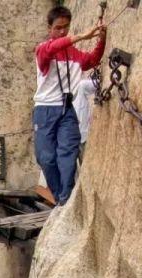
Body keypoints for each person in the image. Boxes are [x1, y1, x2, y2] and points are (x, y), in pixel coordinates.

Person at [33, 6, 106, 205]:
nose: (63, 31)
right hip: (45, 110)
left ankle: (65, 198)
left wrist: (102, 39)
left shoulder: (74, 54)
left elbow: (92, 60)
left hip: (66, 109)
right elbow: (49, 50)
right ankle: (58, 196)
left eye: (66, 27)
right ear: (50, 28)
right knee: (46, 158)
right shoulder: (43, 50)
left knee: (68, 151)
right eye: (58, 28)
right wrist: (81, 36)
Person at [73, 77, 96, 161]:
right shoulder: (56, 95)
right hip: (68, 142)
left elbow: (98, 84)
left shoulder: (81, 86)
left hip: (84, 139)